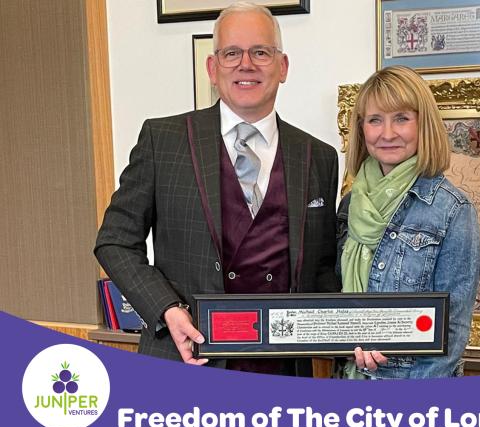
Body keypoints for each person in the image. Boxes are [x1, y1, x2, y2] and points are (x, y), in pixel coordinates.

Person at [95, 2, 339, 376]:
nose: (246, 64)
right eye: (231, 53)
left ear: (283, 66)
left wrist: (357, 335)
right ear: (212, 68)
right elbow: (115, 242)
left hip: (282, 369)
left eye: (261, 52)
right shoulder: (163, 141)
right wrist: (166, 309)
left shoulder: (318, 156)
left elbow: (322, 272)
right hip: (187, 359)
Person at [336, 66, 480, 379]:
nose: (387, 133)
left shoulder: (453, 210)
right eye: (375, 120)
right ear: (361, 128)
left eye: (401, 118)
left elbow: (451, 332)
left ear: (423, 124)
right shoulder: (350, 204)